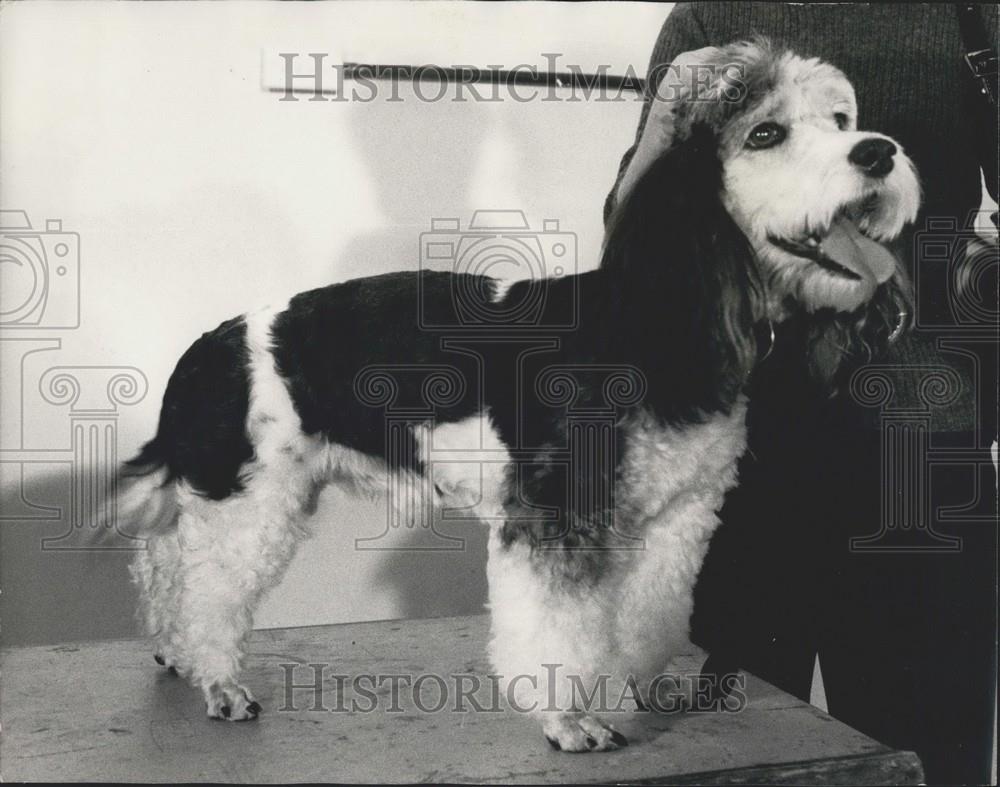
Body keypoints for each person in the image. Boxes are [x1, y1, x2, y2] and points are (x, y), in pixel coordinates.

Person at [605, 4, 998, 784]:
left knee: (930, 754)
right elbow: (631, 237)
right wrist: (665, 122)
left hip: (921, 447)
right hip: (738, 447)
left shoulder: (971, 11)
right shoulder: (708, 16)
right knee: (721, 751)